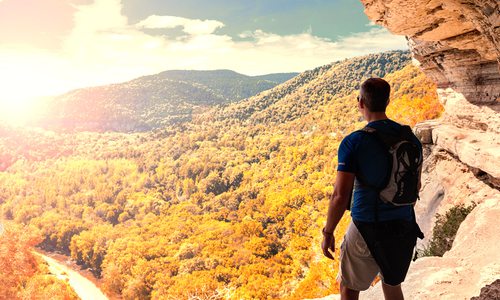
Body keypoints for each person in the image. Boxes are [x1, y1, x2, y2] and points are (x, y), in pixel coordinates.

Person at [321, 78, 423, 300]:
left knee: (349, 288)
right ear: (388, 101)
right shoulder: (410, 139)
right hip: (403, 225)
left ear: (360, 103)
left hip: (367, 225)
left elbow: (340, 196)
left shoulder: (354, 142)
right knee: (392, 283)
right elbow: (417, 186)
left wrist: (328, 232)